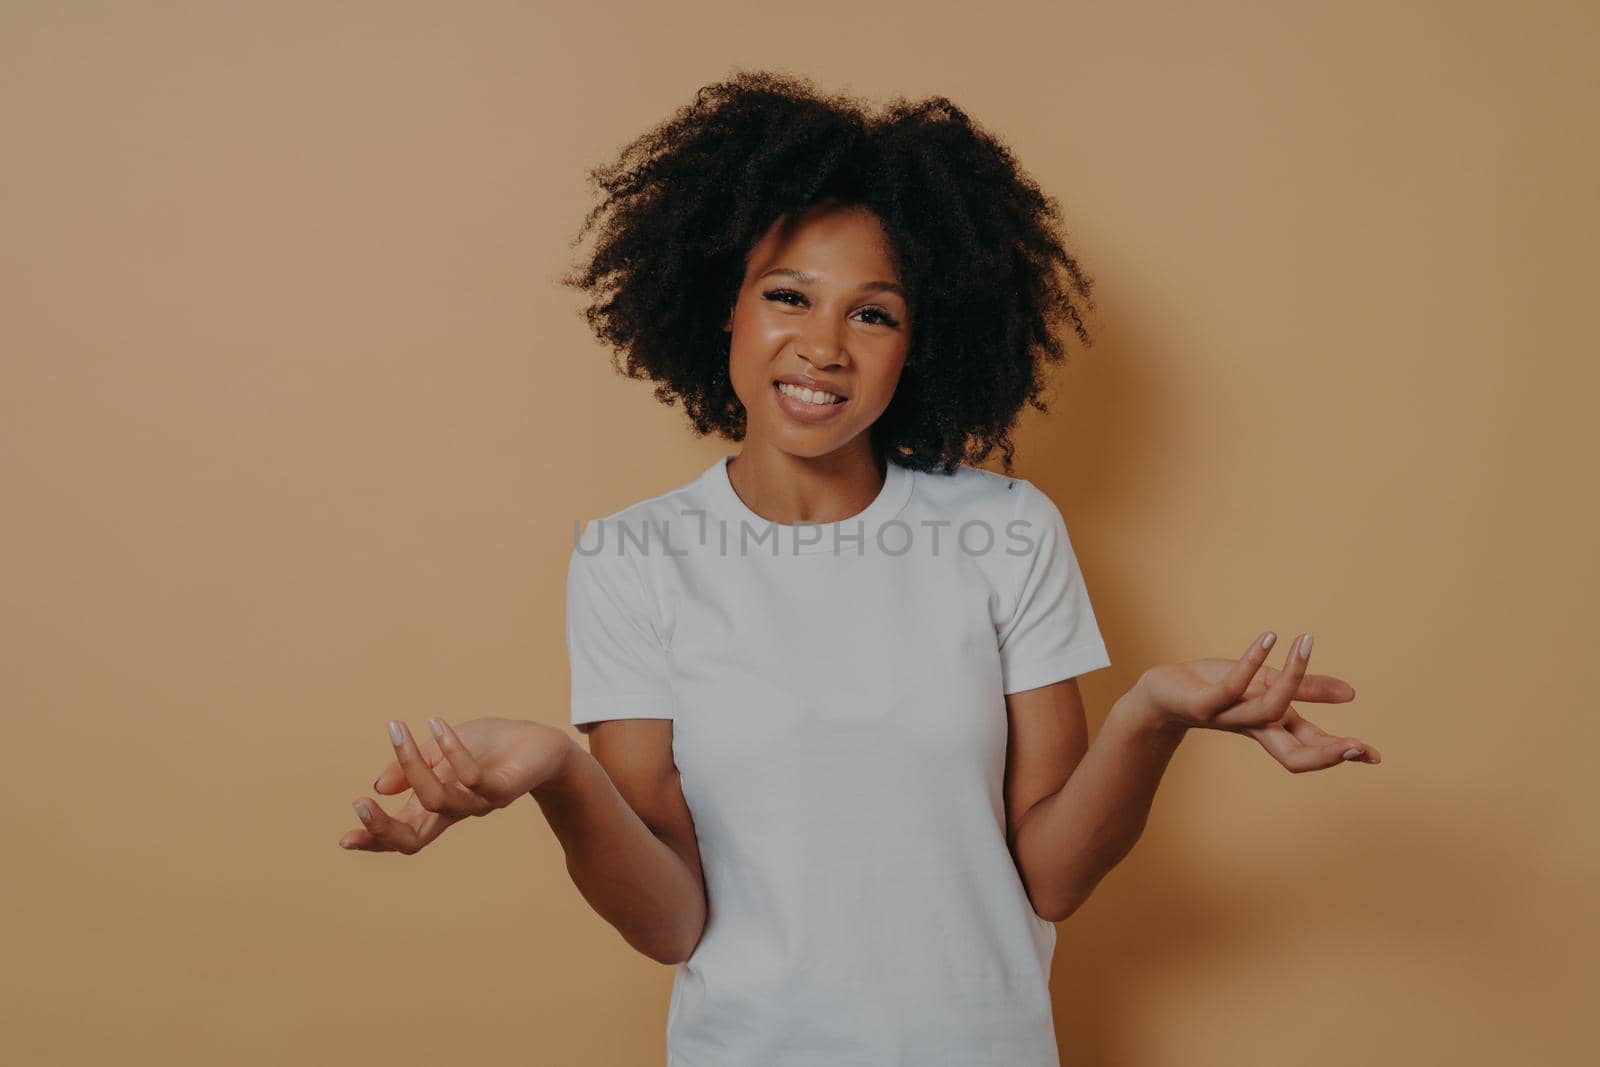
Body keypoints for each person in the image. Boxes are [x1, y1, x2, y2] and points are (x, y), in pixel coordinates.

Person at [337, 70, 1381, 1066]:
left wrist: (1152, 713)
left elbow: (1052, 876)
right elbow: (670, 920)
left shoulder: (1007, 529)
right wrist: (557, 771)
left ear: (918, 343)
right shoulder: (633, 555)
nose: (824, 344)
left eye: (872, 312)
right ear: (725, 309)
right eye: (789, 296)